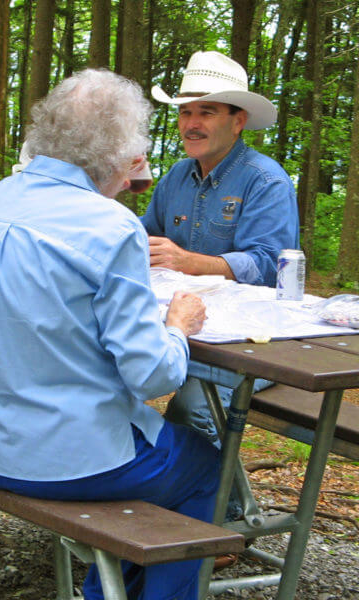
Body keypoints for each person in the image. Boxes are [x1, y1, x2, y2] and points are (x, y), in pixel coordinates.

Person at [0, 69, 220, 600]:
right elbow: (150, 376)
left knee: (163, 456)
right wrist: (177, 327)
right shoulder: (111, 225)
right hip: (64, 459)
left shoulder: (3, 196)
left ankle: (107, 587)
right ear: (120, 152)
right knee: (204, 463)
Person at [140, 51, 299, 485]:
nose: (191, 123)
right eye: (186, 112)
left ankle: (213, 525)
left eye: (206, 112)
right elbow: (141, 237)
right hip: (185, 331)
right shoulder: (176, 176)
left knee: (194, 407)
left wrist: (190, 262)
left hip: (252, 345)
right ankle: (137, 500)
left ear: (238, 119)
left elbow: (272, 265)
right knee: (105, 379)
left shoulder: (265, 180)